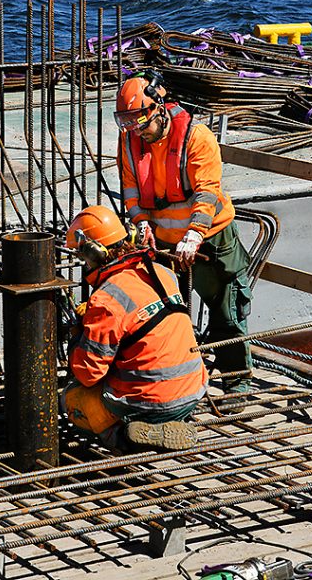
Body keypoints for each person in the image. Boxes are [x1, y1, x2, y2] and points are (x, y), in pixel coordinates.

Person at [115, 68, 252, 402]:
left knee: (226, 311)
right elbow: (130, 187)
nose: (137, 132)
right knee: (166, 313)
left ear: (159, 109)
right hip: (161, 240)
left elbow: (207, 192)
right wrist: (141, 223)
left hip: (211, 238)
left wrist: (194, 235)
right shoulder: (131, 139)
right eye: (128, 124)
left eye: (140, 123)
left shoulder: (196, 136)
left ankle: (236, 384)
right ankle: (175, 379)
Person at [62, 205, 207, 450]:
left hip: (148, 400)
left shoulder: (107, 300)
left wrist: (78, 339)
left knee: (72, 400)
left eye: (82, 256)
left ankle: (126, 439)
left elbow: (89, 374)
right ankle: (171, 422)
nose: (83, 264)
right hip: (193, 390)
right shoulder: (162, 273)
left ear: (95, 252)